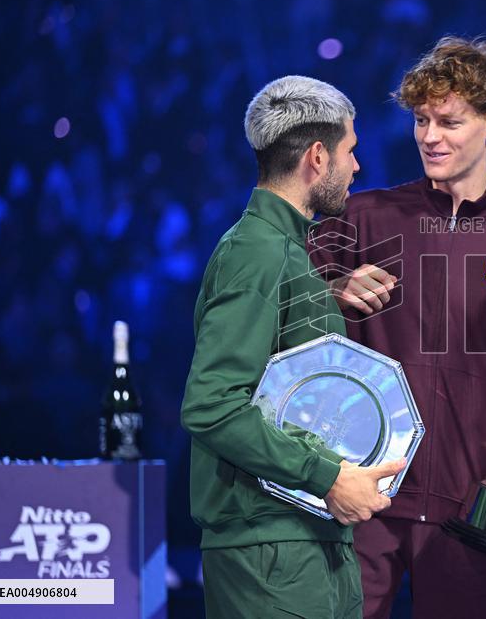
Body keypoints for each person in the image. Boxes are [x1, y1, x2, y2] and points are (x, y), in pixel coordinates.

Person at [309, 37, 486, 619]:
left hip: (472, 512)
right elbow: (280, 320)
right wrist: (330, 292)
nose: (430, 137)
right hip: (362, 500)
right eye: (421, 120)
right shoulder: (362, 217)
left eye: (449, 121)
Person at [181, 75, 405, 619]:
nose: (359, 167)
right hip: (271, 552)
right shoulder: (256, 252)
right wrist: (327, 476)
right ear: (317, 157)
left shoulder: (284, 252)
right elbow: (211, 404)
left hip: (304, 541)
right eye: (352, 151)